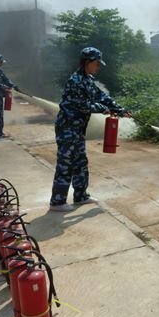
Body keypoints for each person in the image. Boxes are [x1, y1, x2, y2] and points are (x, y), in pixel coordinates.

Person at [49, 47, 131, 212]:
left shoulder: (87, 79)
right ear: (87, 62)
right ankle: (57, 202)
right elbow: (83, 105)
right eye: (96, 63)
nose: (98, 67)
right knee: (66, 163)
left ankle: (81, 196)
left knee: (80, 162)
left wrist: (119, 109)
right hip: (68, 128)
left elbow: (102, 96)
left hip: (78, 129)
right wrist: (104, 109)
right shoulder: (76, 81)